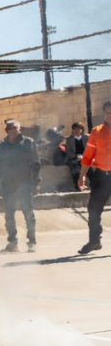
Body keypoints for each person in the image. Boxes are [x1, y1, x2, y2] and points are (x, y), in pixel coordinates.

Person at [0, 120, 40, 253]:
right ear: (6, 130)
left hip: (24, 183)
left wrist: (35, 183)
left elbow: (36, 163)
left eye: (16, 128)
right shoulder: (1, 146)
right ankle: (12, 243)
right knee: (9, 215)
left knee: (28, 214)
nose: (14, 130)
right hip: (8, 184)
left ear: (20, 129)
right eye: (10, 128)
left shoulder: (28, 143)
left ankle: (32, 242)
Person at [77, 101, 111, 255]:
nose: (109, 115)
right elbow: (88, 156)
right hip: (101, 177)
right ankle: (94, 241)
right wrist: (82, 175)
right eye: (107, 112)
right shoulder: (96, 132)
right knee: (93, 210)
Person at [65, 122, 89, 189]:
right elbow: (68, 151)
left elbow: (91, 149)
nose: (76, 131)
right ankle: (78, 186)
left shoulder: (87, 137)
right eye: (75, 129)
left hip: (86, 157)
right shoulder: (70, 139)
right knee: (74, 168)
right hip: (74, 158)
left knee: (89, 168)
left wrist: (83, 156)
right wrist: (76, 157)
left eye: (78, 129)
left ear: (82, 130)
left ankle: (94, 185)